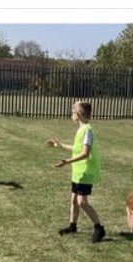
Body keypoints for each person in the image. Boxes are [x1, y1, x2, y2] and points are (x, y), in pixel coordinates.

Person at [47, 101, 105, 243]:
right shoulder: (82, 129)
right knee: (73, 199)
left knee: (82, 202)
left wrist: (67, 161)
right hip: (79, 172)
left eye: (73, 111)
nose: (71, 113)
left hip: (85, 172)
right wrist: (59, 145)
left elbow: (85, 153)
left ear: (78, 115)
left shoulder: (87, 130)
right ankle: (72, 226)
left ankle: (99, 228)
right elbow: (77, 148)